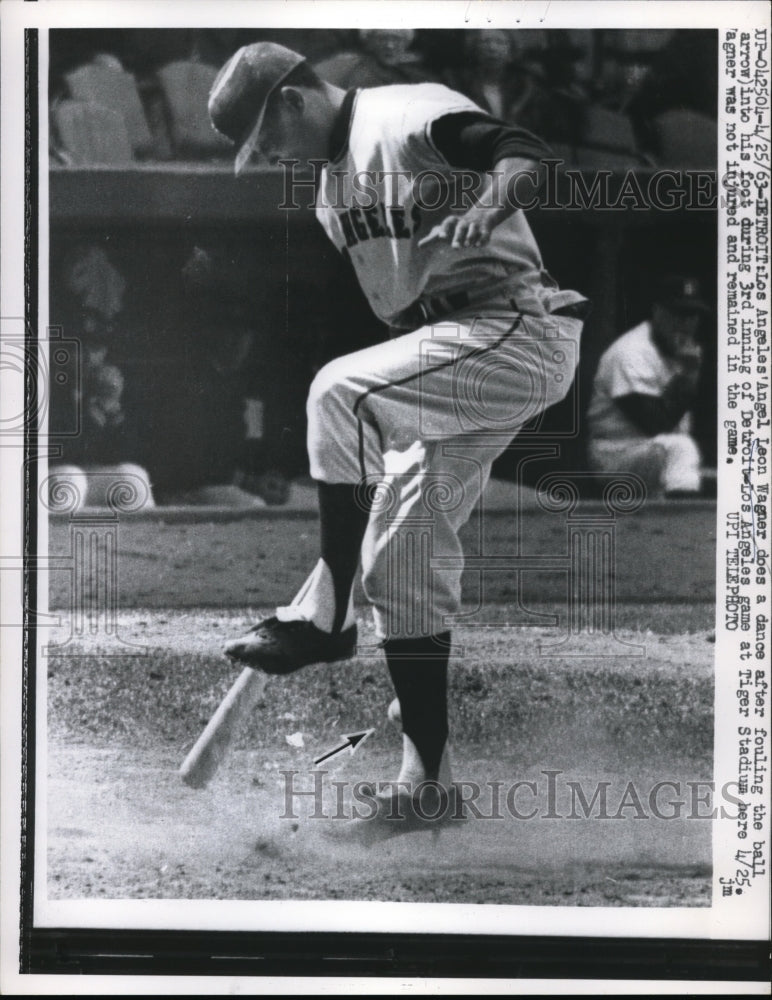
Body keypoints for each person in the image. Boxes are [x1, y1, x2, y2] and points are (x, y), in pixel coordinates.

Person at [208, 42, 588, 836]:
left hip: (515, 327)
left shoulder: (405, 115)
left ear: (292, 99)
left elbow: (524, 152)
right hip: (456, 351)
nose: (268, 155)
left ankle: (328, 619)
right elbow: (404, 319)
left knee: (338, 391)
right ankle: (428, 786)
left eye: (265, 136)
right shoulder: (328, 195)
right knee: (402, 564)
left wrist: (491, 202)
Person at [586, 275, 709, 498]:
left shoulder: (677, 352)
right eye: (678, 313)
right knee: (681, 448)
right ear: (657, 311)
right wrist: (687, 375)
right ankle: (685, 517)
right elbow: (654, 425)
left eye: (692, 315)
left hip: (650, 456)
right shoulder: (631, 351)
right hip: (617, 455)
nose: (685, 323)